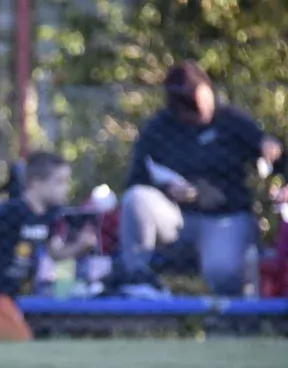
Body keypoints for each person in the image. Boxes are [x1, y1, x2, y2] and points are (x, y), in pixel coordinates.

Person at [120, 60, 285, 296]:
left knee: (222, 272)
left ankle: (229, 312)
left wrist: (272, 150)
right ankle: (138, 282)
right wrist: (167, 189)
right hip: (177, 218)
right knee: (136, 199)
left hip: (226, 219)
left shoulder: (231, 121)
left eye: (206, 100)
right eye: (194, 108)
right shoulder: (158, 129)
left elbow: (275, 156)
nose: (204, 110)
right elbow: (135, 181)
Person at [0, 151, 97, 341]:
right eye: (59, 182)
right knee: (16, 341)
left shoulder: (49, 217)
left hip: (11, 293)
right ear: (36, 183)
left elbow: (55, 253)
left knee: (7, 343)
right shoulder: (12, 210)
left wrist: (80, 246)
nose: (65, 189)